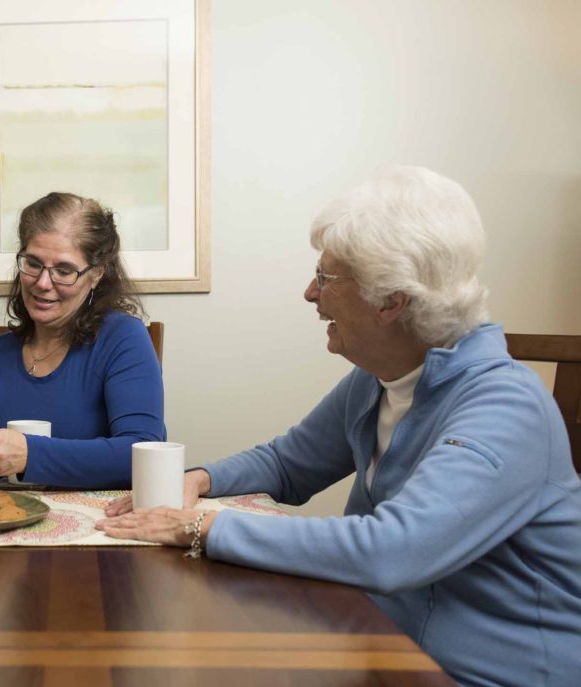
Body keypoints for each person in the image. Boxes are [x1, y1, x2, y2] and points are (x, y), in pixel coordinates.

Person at [97, 166, 581, 686]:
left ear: (390, 300)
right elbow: (287, 464)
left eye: (326, 278)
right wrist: (199, 481)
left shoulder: (506, 407)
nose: (310, 292)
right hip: (382, 650)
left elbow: (393, 552)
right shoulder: (377, 380)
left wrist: (202, 527)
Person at [0, 192, 165, 488]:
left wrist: (28, 455)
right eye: (32, 263)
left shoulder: (123, 338)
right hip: (6, 526)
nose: (43, 284)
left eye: (64, 270)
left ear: (96, 274)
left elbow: (142, 455)